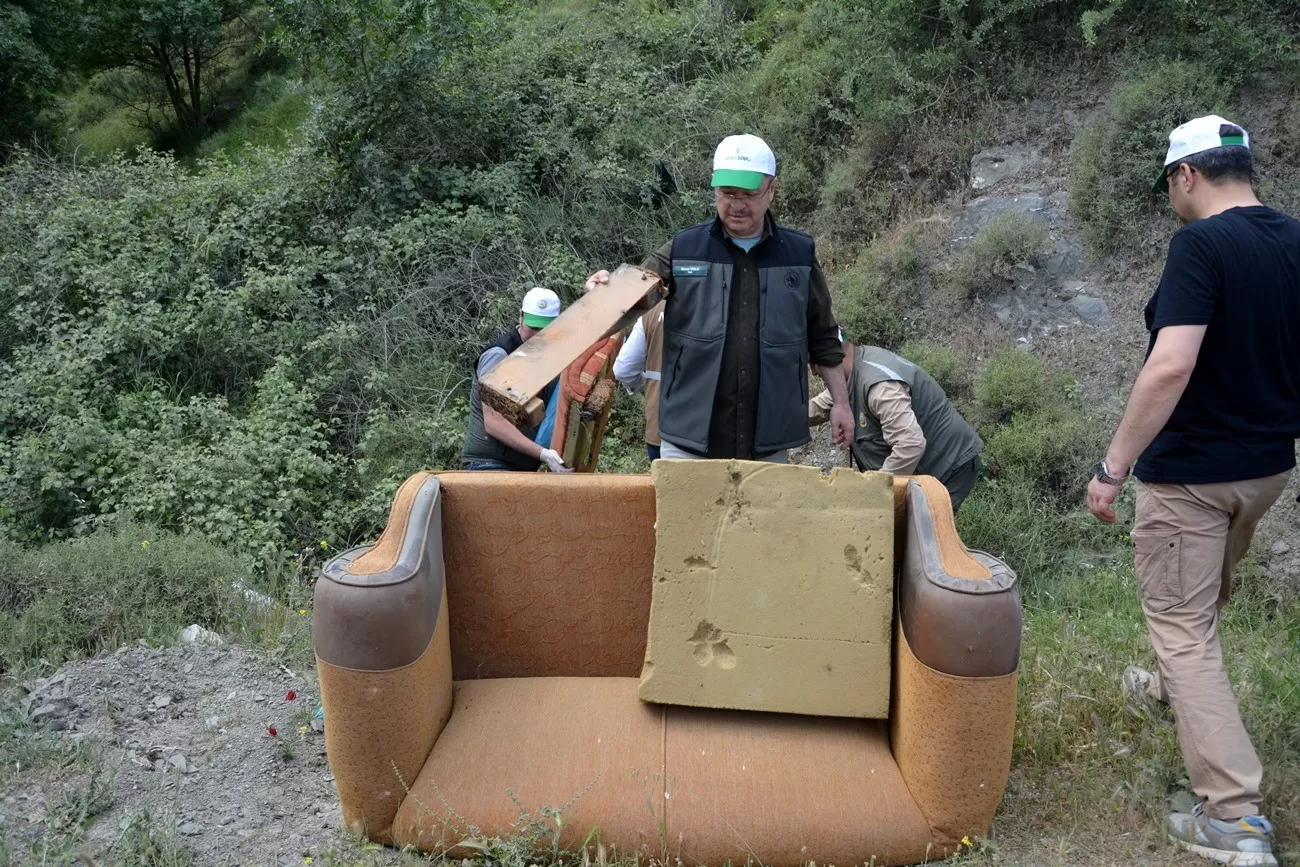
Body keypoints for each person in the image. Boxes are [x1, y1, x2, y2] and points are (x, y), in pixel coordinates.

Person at [1087, 115, 1300, 867]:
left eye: (1169, 185)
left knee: (1183, 623)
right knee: (1199, 599)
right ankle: (1170, 693)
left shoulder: (1199, 245)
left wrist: (1112, 466)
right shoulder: (1292, 238)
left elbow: (1170, 366)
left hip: (1193, 477)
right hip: (1267, 469)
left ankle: (1234, 817)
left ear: (1186, 175)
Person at [585, 134, 853, 462]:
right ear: (715, 191)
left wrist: (840, 403)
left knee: (759, 516)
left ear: (771, 190)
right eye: (727, 193)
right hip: (689, 438)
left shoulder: (798, 254)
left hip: (767, 439)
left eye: (748, 194)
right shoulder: (684, 249)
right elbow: (631, 297)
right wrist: (605, 290)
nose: (736, 205)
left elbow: (823, 336)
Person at [809, 334, 984, 512]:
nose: (814, 372)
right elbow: (821, 406)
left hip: (948, 466)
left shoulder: (880, 388)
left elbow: (910, 444)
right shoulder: (851, 373)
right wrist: (784, 421)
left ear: (833, 356)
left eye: (815, 364)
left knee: (924, 530)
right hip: (922, 464)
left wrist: (873, 495)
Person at [461, 287, 573, 473]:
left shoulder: (550, 357)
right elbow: (494, 421)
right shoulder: (499, 355)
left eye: (545, 330)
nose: (538, 336)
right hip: (488, 465)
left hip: (524, 468)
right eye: (533, 328)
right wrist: (543, 454)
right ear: (520, 317)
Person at [612, 299, 665, 461]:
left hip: (659, 428)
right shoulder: (720, 304)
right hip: (708, 433)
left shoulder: (653, 311)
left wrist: (650, 386)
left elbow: (623, 369)